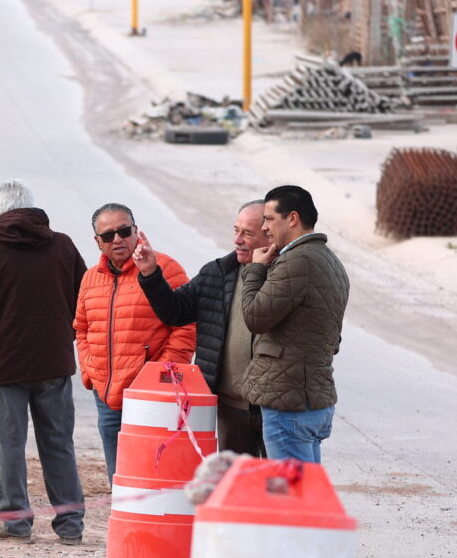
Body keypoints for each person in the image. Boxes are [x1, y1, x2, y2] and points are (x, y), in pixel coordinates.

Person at [0, 179, 87, 545]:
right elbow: (85, 296)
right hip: (53, 364)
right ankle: (71, 524)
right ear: (31, 207)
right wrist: (65, 337)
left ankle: (15, 523)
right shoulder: (63, 246)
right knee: (59, 443)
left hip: (6, 367)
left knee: (10, 446)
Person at [133, 201, 271, 457]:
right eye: (236, 230)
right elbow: (175, 311)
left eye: (248, 233)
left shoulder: (284, 277)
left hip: (274, 408)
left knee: (279, 486)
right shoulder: (217, 273)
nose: (238, 240)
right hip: (230, 408)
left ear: (269, 233)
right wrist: (151, 273)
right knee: (235, 486)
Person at [74, 203, 195, 485]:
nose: (117, 239)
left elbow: (186, 325)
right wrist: (90, 370)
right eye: (108, 236)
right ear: (97, 242)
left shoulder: (164, 267)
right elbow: (81, 329)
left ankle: (154, 528)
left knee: (153, 476)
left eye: (124, 231)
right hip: (106, 397)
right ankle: (125, 528)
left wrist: (160, 376)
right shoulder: (91, 279)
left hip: (151, 396)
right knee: (119, 479)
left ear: (136, 231)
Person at [240, 185, 350, 463]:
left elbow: (255, 316)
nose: (265, 227)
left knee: (292, 498)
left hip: (288, 403)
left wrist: (256, 270)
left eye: (269, 218)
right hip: (311, 398)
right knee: (307, 494)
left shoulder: (296, 262)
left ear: (292, 218)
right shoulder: (329, 260)